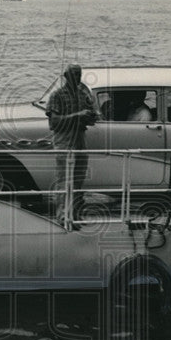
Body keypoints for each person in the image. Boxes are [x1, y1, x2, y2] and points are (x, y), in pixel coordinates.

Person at [46, 64, 97, 222]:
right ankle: (63, 217)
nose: (77, 78)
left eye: (79, 74)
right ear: (66, 76)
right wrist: (77, 115)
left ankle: (74, 215)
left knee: (78, 180)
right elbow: (54, 123)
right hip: (64, 139)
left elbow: (93, 118)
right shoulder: (57, 96)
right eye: (74, 74)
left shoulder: (82, 95)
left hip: (80, 137)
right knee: (64, 180)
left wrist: (91, 116)